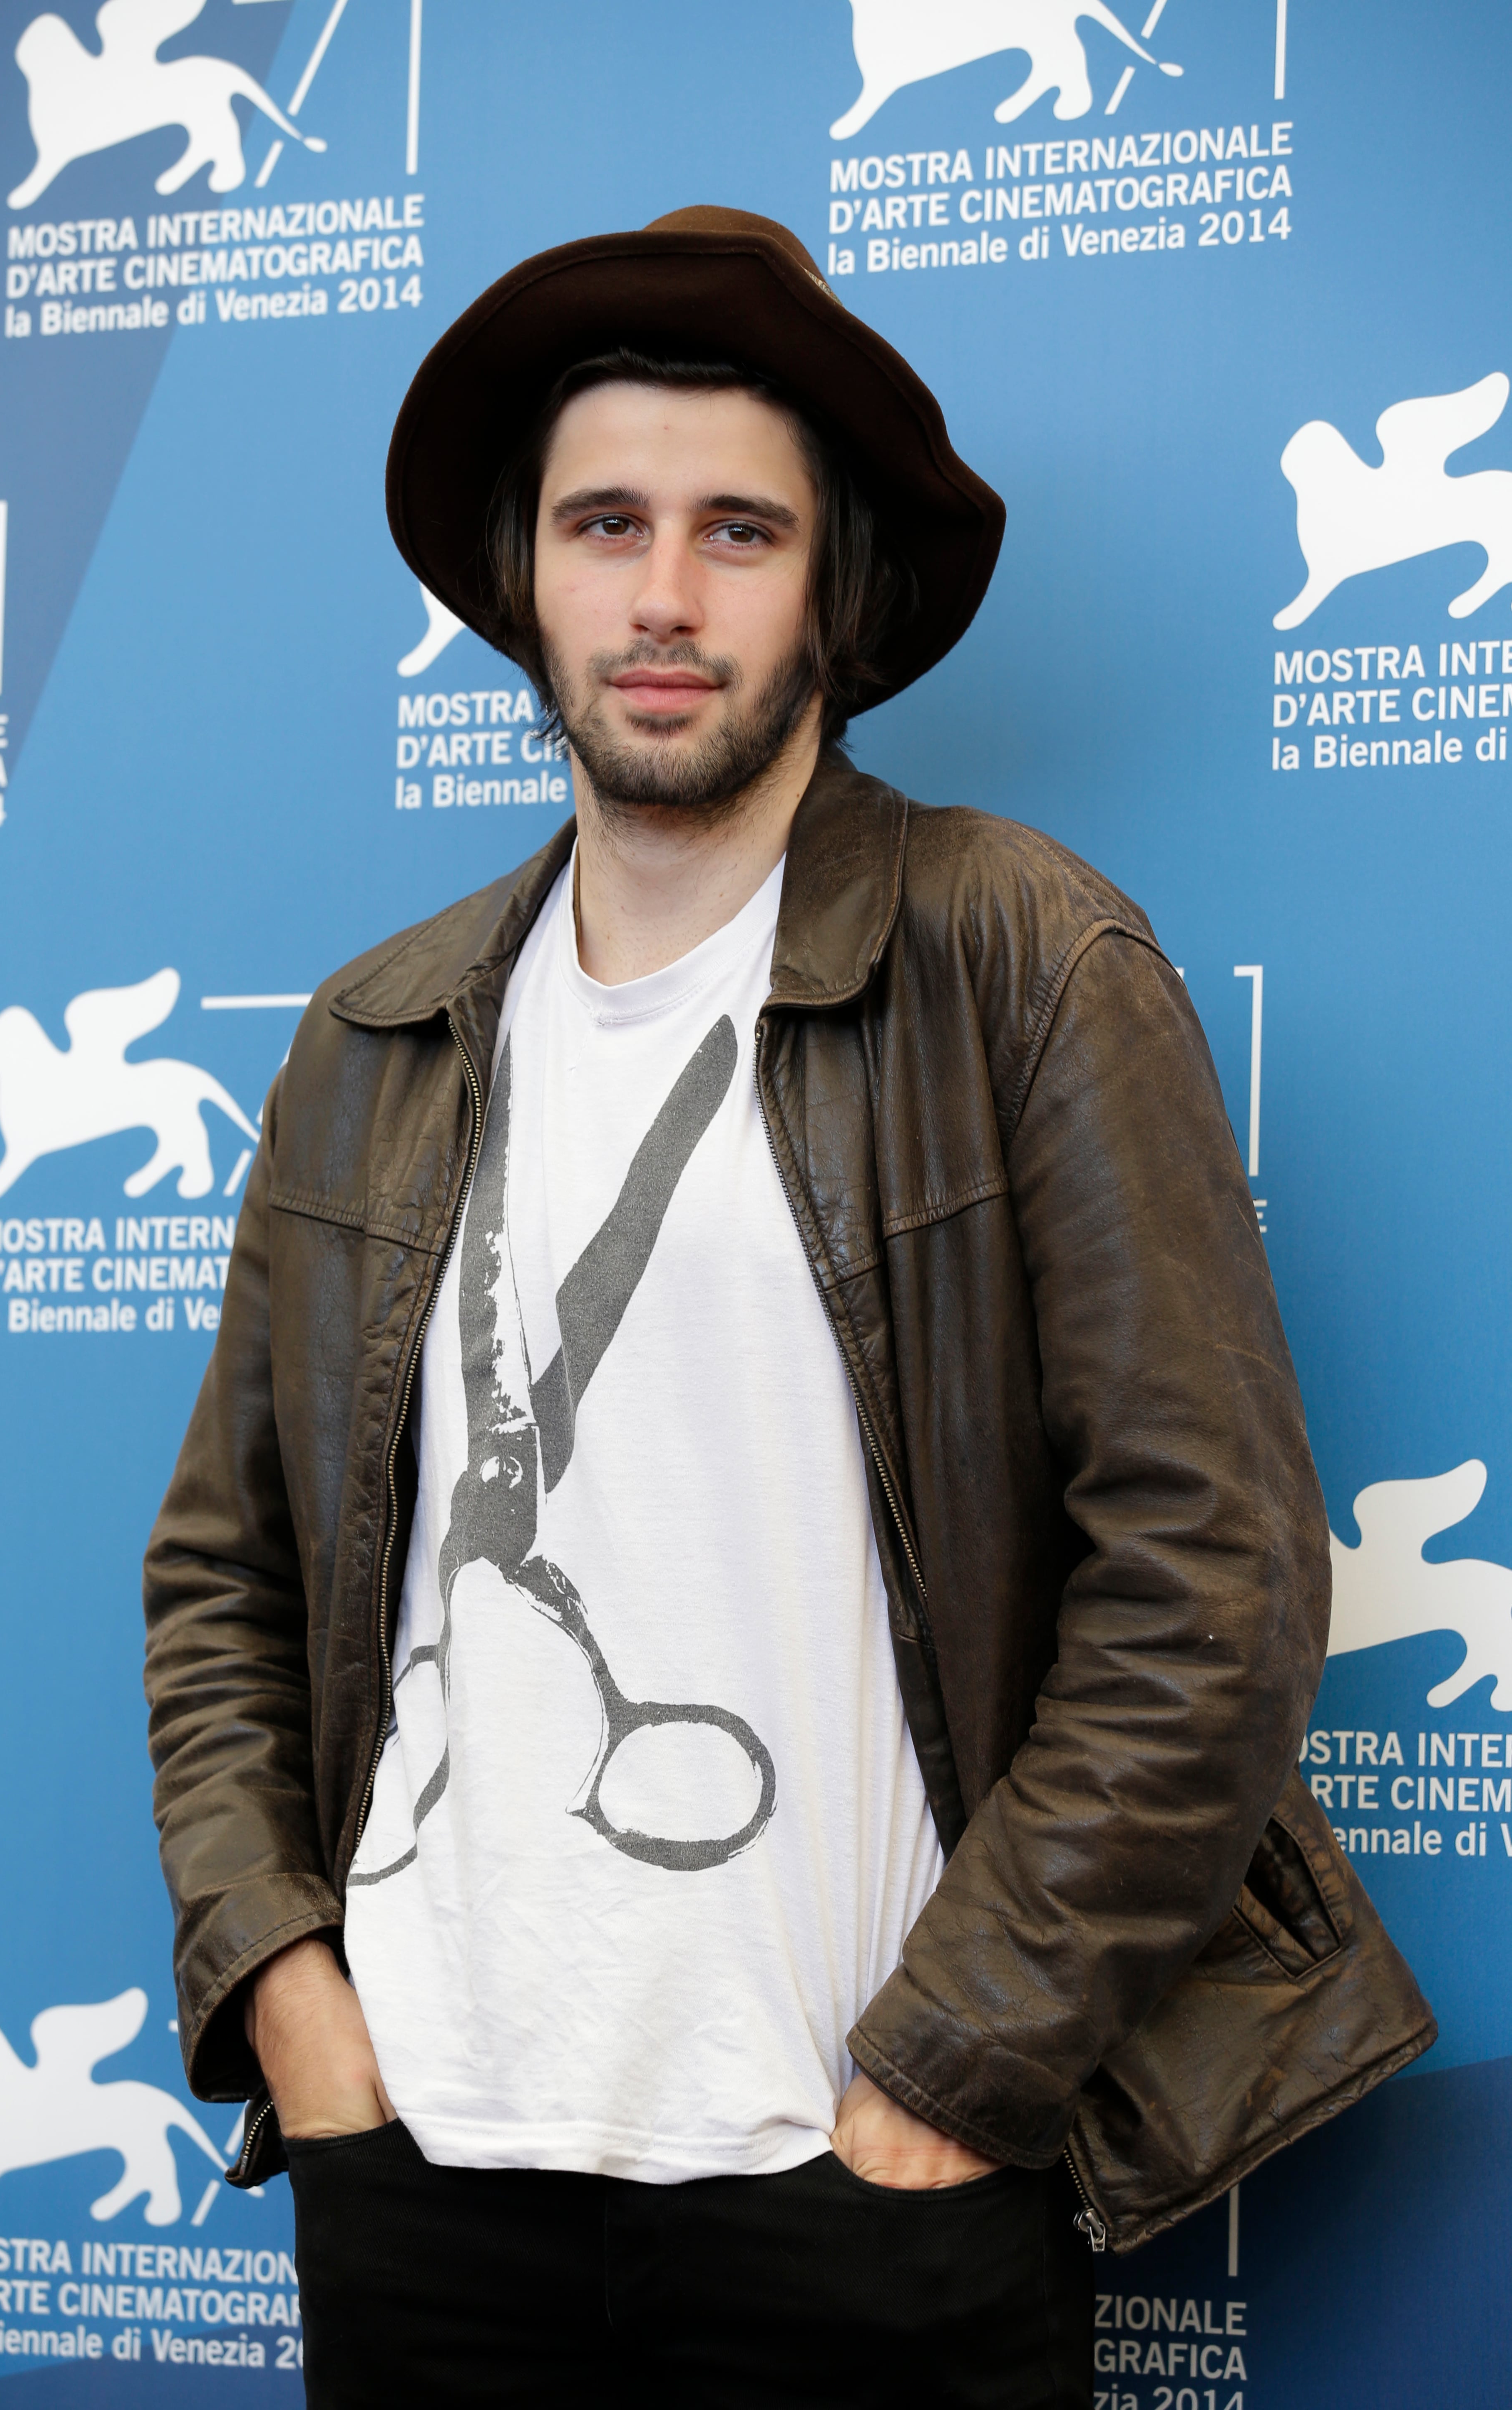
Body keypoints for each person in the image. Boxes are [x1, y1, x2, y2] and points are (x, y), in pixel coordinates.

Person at [144, 208, 1432, 2407]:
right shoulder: (375, 1036)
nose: (664, 597)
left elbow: (1207, 1579)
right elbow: (221, 1576)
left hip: (861, 2198)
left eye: (739, 530)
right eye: (606, 524)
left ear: (830, 588)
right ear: (520, 574)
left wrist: (945, 2082)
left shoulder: (1024, 960)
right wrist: (298, 2011)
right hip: (421, 2184)